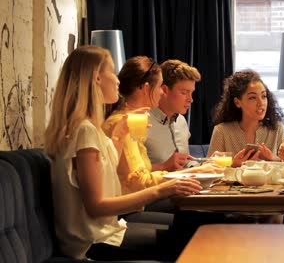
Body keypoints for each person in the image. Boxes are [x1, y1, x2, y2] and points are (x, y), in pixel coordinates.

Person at [44, 46, 202, 260]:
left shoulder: (91, 129)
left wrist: (118, 136)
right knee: (187, 236)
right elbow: (96, 205)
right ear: (96, 78)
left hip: (109, 230)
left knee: (188, 226)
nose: (118, 80)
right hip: (91, 242)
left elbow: (110, 179)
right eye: (112, 71)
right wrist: (164, 189)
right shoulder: (85, 131)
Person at [103, 56, 222, 214]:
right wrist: (189, 173)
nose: (161, 92)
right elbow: (137, 183)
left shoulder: (134, 120)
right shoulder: (124, 123)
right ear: (146, 89)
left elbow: (137, 175)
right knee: (205, 214)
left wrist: (198, 170)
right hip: (134, 208)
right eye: (159, 86)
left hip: (143, 202)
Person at [208, 69, 284, 167]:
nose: (261, 103)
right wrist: (233, 165)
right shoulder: (222, 131)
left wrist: (273, 159)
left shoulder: (277, 129)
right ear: (237, 102)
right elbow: (209, 169)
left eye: (263, 96)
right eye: (252, 97)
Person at [145, 59, 201, 171]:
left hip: (184, 186)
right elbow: (128, 174)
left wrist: (203, 165)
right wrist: (163, 167)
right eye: (184, 93)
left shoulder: (181, 121)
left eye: (191, 93)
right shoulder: (143, 121)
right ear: (164, 90)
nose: (190, 100)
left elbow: (184, 164)